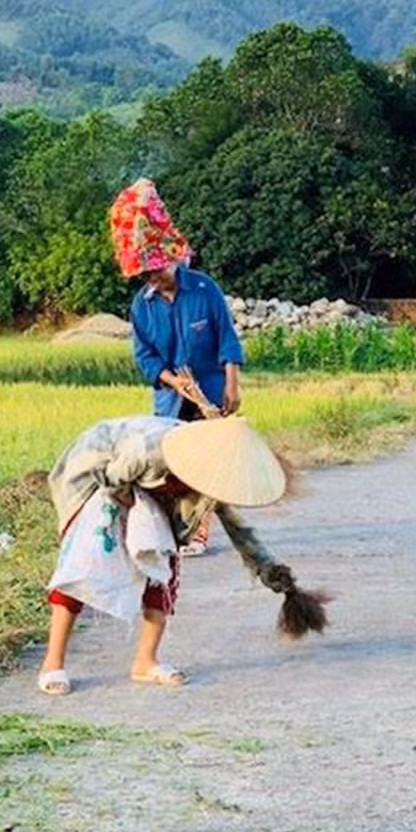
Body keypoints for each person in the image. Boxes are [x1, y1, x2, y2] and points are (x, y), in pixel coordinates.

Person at [36, 415, 320, 694]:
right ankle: (52, 663)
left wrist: (269, 570)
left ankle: (145, 662)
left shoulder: (217, 474)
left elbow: (238, 528)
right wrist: (133, 516)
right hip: (99, 475)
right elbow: (112, 481)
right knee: (87, 563)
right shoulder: (151, 450)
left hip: (150, 491)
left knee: (163, 566)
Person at [112, 179, 246, 557]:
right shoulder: (143, 305)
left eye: (157, 270)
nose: (152, 278)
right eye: (145, 274)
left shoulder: (205, 289)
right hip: (171, 400)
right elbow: (146, 357)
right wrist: (174, 382)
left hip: (212, 391)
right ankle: (174, 527)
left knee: (208, 464)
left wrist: (232, 385)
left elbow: (227, 338)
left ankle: (199, 530)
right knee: (172, 465)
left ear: (172, 258)